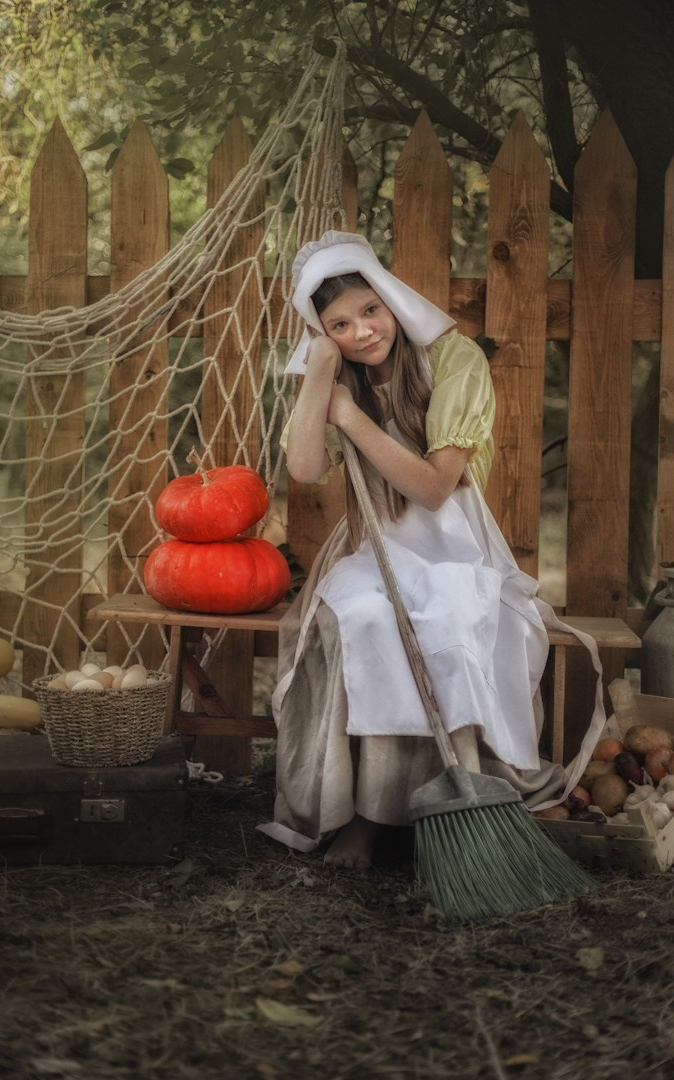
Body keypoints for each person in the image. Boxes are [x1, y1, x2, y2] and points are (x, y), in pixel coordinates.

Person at [257, 230, 605, 870]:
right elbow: (305, 467)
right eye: (339, 324)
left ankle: (437, 808)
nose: (362, 331)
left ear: (390, 298)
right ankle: (358, 818)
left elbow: (436, 487)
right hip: (376, 545)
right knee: (364, 618)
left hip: (455, 547)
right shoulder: (342, 371)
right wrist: (322, 378)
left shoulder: (454, 359)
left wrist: (352, 419)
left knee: (442, 622)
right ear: (323, 332)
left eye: (370, 310)